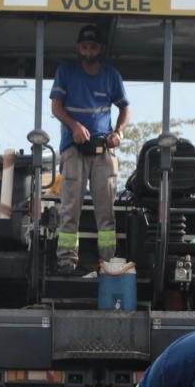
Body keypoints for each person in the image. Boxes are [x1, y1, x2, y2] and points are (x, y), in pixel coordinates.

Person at [50, 22, 130, 275]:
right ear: (78, 48)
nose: (88, 51)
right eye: (84, 46)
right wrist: (74, 126)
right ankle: (66, 261)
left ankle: (107, 262)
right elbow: (56, 108)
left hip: (103, 150)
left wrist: (118, 133)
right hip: (74, 148)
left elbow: (125, 107)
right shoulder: (66, 72)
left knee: (106, 210)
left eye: (92, 46)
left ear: (100, 49)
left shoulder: (111, 76)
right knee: (70, 207)